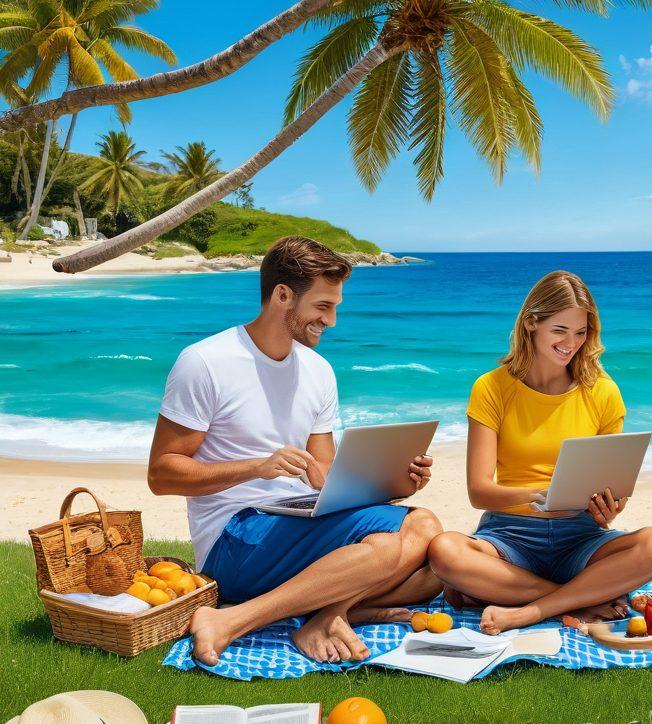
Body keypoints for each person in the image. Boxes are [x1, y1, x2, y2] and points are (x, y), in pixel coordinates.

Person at [148, 236, 442, 666]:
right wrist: (257, 468)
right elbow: (162, 474)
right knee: (388, 549)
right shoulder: (205, 362)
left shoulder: (318, 371)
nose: (333, 320)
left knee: (429, 536)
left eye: (336, 307)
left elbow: (323, 471)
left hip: (296, 518)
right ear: (282, 295)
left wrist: (389, 481)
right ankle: (233, 620)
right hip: (233, 537)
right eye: (324, 306)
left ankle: (328, 613)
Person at [427, 270, 652, 635]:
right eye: (560, 330)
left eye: (581, 332)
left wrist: (610, 506)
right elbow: (479, 492)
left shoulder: (603, 392)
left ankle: (528, 609)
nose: (571, 343)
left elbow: (613, 493)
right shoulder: (491, 388)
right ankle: (579, 599)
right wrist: (539, 497)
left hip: (580, 536)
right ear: (531, 323)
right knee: (444, 550)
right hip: (508, 537)